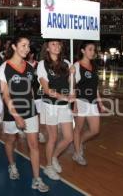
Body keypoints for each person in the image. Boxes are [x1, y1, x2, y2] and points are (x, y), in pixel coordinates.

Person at [0, 35, 49, 192]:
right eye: (24, 45)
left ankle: (37, 179)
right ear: (14, 46)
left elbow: (31, 92)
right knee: (11, 140)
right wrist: (17, 116)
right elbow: (5, 95)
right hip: (11, 113)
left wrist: (35, 111)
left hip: (30, 111)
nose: (27, 49)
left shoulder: (30, 67)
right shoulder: (4, 67)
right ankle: (12, 165)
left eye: (28, 46)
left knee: (34, 145)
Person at [37, 39, 75, 180]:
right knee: (52, 137)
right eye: (53, 44)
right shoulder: (42, 65)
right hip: (50, 105)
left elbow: (71, 85)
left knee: (68, 137)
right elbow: (46, 90)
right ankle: (48, 167)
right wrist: (63, 97)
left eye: (58, 44)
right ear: (47, 48)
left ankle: (54, 156)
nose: (57, 46)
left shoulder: (67, 63)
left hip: (64, 106)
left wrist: (72, 74)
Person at [73, 41, 105, 166]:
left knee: (95, 130)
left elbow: (95, 87)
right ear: (83, 51)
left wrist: (100, 103)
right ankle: (77, 153)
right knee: (78, 129)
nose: (93, 52)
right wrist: (74, 103)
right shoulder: (77, 66)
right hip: (81, 101)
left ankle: (79, 143)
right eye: (90, 49)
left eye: (94, 50)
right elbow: (73, 86)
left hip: (92, 102)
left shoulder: (93, 66)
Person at [25, 47, 46, 143]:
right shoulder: (23, 65)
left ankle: (40, 133)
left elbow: (42, 80)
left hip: (38, 95)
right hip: (27, 96)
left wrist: (41, 93)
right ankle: (28, 132)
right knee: (30, 116)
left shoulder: (39, 65)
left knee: (40, 115)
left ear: (32, 54)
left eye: (28, 53)